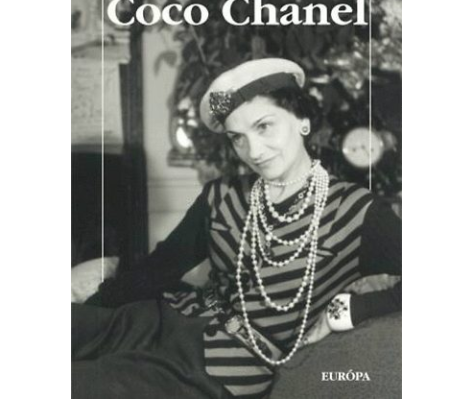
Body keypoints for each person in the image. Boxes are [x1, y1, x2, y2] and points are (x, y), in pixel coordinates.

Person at [72, 58, 401, 399]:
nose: (253, 151)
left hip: (217, 371)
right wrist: (88, 309)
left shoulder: (357, 212)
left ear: (302, 120)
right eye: (237, 138)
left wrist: (354, 309)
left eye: (264, 126)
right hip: (160, 319)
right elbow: (158, 270)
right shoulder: (222, 195)